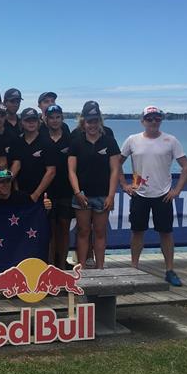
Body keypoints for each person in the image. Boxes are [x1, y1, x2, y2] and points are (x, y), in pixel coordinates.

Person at [119, 106, 187, 287]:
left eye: (157, 119)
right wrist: (124, 184)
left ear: (160, 121)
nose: (153, 122)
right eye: (149, 118)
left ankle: (169, 270)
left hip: (163, 195)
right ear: (142, 121)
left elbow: (186, 167)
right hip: (139, 193)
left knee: (166, 233)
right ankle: (134, 267)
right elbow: (116, 163)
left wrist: (177, 190)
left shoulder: (171, 140)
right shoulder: (132, 140)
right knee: (137, 232)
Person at [68, 101, 120, 270]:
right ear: (84, 121)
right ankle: (81, 268)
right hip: (81, 195)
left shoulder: (109, 142)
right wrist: (77, 192)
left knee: (100, 232)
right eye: (89, 121)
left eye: (95, 121)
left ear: (100, 121)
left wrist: (111, 195)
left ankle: (100, 268)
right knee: (83, 232)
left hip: (102, 195)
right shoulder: (76, 141)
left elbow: (115, 170)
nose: (92, 125)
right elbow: (71, 171)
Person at [42, 104, 74, 269]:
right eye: (51, 117)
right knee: (50, 230)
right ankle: (51, 266)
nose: (54, 120)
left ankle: (62, 265)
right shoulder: (41, 138)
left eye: (58, 117)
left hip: (66, 191)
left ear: (62, 119)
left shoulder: (70, 139)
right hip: (48, 192)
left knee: (64, 228)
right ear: (46, 119)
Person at [9, 107, 56, 202]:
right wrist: (8, 184)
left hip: (42, 194)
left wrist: (36, 194)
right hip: (21, 193)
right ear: (21, 122)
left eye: (34, 120)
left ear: (38, 122)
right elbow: (16, 166)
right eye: (27, 120)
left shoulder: (47, 142)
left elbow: (51, 172)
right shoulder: (17, 142)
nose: (31, 123)